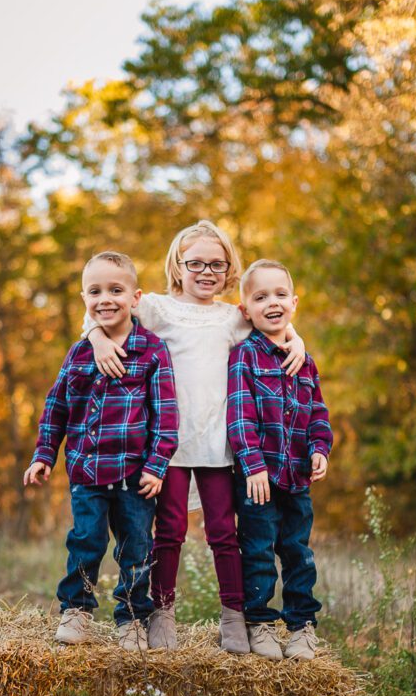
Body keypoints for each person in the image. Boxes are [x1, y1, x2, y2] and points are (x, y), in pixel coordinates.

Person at [85, 222, 306, 654]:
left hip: (217, 444)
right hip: (166, 445)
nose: (207, 271)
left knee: (224, 532)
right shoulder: (156, 309)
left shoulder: (231, 316)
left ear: (228, 269)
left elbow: (272, 323)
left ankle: (234, 617)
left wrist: (296, 338)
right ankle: (162, 613)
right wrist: (95, 339)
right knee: (169, 531)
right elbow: (102, 313)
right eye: (196, 263)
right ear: (177, 265)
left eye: (217, 264)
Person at [23, 251, 179, 651]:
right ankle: (76, 610)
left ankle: (132, 617)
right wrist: (44, 454)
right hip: (86, 472)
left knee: (137, 548)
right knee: (85, 541)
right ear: (84, 299)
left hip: (135, 475)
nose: (105, 299)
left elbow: (165, 415)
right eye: (95, 291)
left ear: (135, 297)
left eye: (116, 290)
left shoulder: (152, 351)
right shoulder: (78, 353)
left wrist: (157, 465)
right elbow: (55, 407)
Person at [227, 259, 333, 661]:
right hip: (259, 479)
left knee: (298, 553)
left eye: (280, 295)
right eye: (260, 297)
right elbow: (239, 416)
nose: (272, 303)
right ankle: (260, 624)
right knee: (257, 552)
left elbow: (318, 413)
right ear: (246, 309)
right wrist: (252, 464)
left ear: (294, 303)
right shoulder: (245, 357)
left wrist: (320, 448)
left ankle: (302, 627)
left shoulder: (306, 361)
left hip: (297, 478)